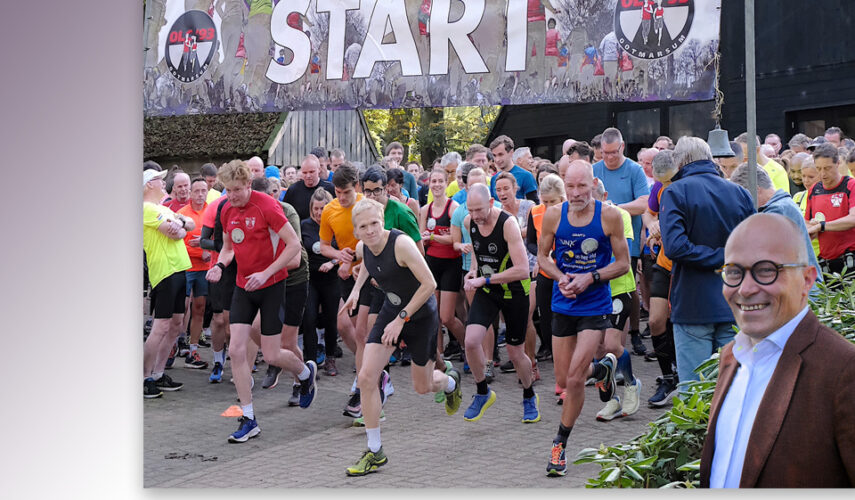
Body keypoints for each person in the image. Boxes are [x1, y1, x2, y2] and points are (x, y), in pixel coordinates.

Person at [699, 213, 855, 487]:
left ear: (807, 280)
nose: (745, 289)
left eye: (766, 270)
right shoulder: (731, 357)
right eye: (734, 272)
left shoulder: (844, 371)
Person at [340, 199, 463, 476]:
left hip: (420, 317)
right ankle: (375, 451)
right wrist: (356, 290)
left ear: (382, 220)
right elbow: (369, 263)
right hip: (392, 311)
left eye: (374, 223)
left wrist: (401, 319)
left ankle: (450, 382)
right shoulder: (363, 246)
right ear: (356, 231)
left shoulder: (401, 244)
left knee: (423, 386)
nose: (370, 230)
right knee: (367, 377)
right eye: (363, 226)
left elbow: (430, 284)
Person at [205, 160, 317, 443]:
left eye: (238, 190)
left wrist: (266, 272)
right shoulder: (226, 210)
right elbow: (228, 248)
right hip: (244, 286)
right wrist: (219, 265)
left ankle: (305, 373)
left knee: (271, 354)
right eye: (228, 191)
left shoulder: (266, 205)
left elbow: (294, 245)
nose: (232, 196)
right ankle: (249, 418)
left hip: (272, 285)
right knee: (237, 349)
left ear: (249, 185)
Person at [537, 160, 629, 477]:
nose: (576, 193)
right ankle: (602, 369)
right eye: (571, 186)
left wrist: (591, 277)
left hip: (594, 304)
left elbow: (623, 264)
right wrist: (561, 276)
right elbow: (542, 258)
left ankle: (560, 445)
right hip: (563, 303)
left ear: (593, 183)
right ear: (564, 184)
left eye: (582, 186)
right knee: (563, 380)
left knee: (575, 380)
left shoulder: (609, 216)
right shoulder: (553, 216)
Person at [660, 137, 756, 385]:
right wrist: (729, 259)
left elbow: (675, 247)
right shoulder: (740, 193)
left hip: (694, 304)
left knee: (694, 392)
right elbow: (756, 244)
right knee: (734, 389)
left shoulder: (675, 191)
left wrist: (720, 258)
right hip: (735, 301)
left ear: (680, 162)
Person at [462, 184, 538, 423]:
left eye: (479, 210)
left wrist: (484, 278)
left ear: (492, 203)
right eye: (471, 210)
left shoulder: (508, 224)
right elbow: (476, 250)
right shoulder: (470, 222)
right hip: (487, 290)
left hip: (514, 292)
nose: (475, 216)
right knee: (471, 341)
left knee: (516, 353)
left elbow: (523, 270)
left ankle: (529, 395)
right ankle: (483, 391)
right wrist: (473, 271)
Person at [592, 128, 650, 356]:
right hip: (599, 237)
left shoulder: (634, 170)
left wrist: (614, 209)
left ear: (622, 147)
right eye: (604, 153)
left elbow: (643, 203)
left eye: (613, 153)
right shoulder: (594, 170)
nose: (608, 158)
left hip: (628, 236)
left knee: (627, 287)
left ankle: (634, 331)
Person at [590, 179, 643, 421]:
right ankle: (611, 400)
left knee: (611, 344)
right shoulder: (578, 219)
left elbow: (623, 255)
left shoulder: (620, 216)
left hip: (617, 288)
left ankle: (631, 384)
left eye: (592, 199)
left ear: (603, 196)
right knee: (597, 349)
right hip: (591, 291)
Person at [319, 164, 367, 417]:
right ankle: (366, 368)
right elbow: (324, 245)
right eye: (337, 192)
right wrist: (339, 256)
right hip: (346, 274)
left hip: (370, 273)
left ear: (356, 187)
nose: (342, 197)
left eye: (346, 192)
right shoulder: (329, 210)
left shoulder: (367, 205)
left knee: (361, 330)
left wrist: (355, 261)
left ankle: (365, 380)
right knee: (342, 325)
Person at [729, 164, 822, 287]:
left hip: (802, 291)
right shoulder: (783, 205)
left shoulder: (777, 211)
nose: (742, 203)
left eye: (743, 196)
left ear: (756, 190)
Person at [143, 169, 193, 398]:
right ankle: (144, 377)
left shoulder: (163, 208)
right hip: (164, 272)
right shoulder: (145, 209)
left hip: (179, 269)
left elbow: (188, 224)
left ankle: (158, 373)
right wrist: (181, 225)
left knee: (176, 324)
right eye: (158, 180)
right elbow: (176, 234)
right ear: (147, 186)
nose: (164, 183)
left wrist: (180, 222)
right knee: (161, 326)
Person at [419, 168, 466, 386]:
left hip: (451, 264)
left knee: (447, 317)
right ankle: (437, 360)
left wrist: (435, 236)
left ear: (447, 183)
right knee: (433, 317)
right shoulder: (425, 210)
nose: (436, 185)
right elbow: (422, 239)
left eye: (440, 181)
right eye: (433, 181)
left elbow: (455, 239)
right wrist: (429, 238)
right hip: (432, 263)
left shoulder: (453, 207)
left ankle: (469, 348)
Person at [642, 150, 680, 407]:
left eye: (668, 181)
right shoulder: (658, 187)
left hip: (684, 265)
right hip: (663, 263)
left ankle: (682, 374)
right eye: (661, 182)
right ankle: (668, 376)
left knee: (678, 322)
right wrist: (653, 225)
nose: (664, 186)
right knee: (656, 320)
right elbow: (648, 213)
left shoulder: (686, 186)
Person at [493, 172, 540, 381]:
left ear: (515, 188)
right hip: (508, 272)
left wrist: (541, 259)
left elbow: (539, 233)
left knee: (527, 316)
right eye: (498, 189)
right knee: (513, 320)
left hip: (531, 268)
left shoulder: (529, 207)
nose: (503, 193)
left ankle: (532, 363)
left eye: (506, 188)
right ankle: (520, 359)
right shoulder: (496, 213)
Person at [526, 174, 565, 388]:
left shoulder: (570, 213)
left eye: (553, 201)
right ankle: (550, 349)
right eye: (545, 201)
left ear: (562, 198)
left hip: (568, 271)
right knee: (545, 315)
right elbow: (531, 242)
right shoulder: (535, 212)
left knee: (564, 316)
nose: (549, 206)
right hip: (545, 271)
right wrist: (543, 254)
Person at [301, 188, 341, 376]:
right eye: (315, 209)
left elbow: (346, 250)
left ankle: (331, 357)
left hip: (331, 278)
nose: (318, 213)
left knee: (331, 319)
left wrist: (333, 262)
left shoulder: (336, 224)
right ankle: (309, 361)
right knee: (309, 319)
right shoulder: (305, 226)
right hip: (311, 279)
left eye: (322, 208)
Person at [804, 143, 855, 275]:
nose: (822, 174)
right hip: (826, 263)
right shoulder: (814, 190)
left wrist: (821, 226)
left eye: (827, 168)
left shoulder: (850, 185)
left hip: (850, 259)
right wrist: (811, 229)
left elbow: (853, 219)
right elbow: (808, 222)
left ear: (838, 163)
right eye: (818, 168)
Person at [176, 177, 211, 370]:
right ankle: (175, 344)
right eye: (196, 191)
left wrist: (208, 249)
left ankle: (193, 349)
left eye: (203, 190)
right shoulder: (182, 214)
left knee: (200, 308)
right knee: (181, 308)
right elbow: (175, 241)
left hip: (204, 268)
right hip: (186, 267)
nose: (200, 194)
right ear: (190, 193)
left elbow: (218, 237)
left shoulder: (211, 211)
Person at [282, 155, 336, 221]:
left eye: (311, 172)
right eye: (304, 173)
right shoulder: (293, 190)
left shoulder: (330, 189)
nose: (308, 176)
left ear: (319, 169)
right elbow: (284, 215)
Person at [489, 135, 539, 203]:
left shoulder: (526, 176)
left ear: (511, 152)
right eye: (494, 155)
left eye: (500, 154)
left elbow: (535, 205)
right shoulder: (494, 179)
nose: (497, 159)